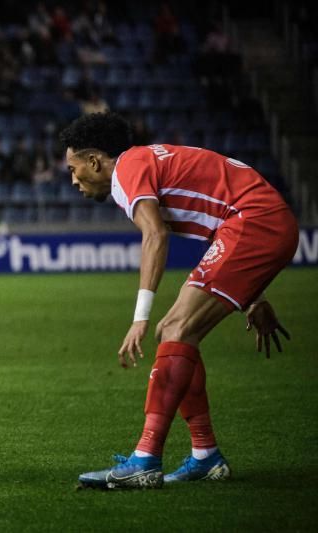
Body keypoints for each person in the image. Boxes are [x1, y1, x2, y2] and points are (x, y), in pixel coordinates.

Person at [59, 112, 298, 489]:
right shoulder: (151, 160)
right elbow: (217, 214)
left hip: (254, 223)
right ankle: (205, 456)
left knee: (174, 329)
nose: (74, 180)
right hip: (258, 222)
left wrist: (140, 317)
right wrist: (255, 298)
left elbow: (155, 235)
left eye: (74, 169)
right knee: (177, 335)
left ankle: (146, 460)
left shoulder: (127, 169)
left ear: (95, 161)